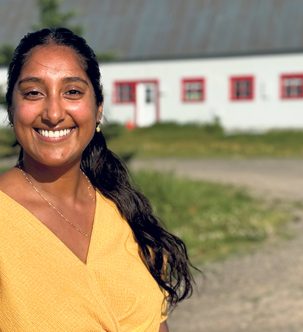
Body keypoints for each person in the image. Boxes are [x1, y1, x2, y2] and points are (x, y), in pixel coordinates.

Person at [0, 27, 194, 332]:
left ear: (98, 109)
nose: (53, 113)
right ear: (12, 109)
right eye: (34, 93)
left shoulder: (123, 213)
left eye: (73, 92)